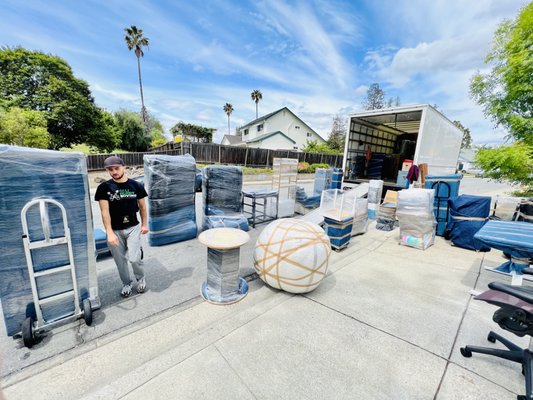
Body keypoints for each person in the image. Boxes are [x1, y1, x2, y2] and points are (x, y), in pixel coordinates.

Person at [95, 156, 149, 297]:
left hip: (133, 227)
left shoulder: (136, 186)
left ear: (124, 167)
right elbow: (104, 211)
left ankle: (140, 277)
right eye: (110, 169)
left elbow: (142, 207)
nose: (114, 172)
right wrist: (109, 232)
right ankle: (126, 283)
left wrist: (144, 224)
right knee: (120, 261)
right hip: (114, 230)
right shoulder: (104, 188)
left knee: (134, 258)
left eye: (117, 168)